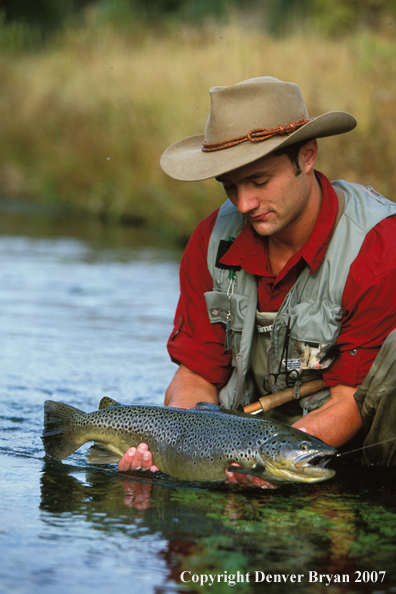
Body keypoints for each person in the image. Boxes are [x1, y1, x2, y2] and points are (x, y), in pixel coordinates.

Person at [118, 76, 396, 485]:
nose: (244, 204)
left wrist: (271, 461)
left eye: (259, 181)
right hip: (243, 448)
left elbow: (350, 400)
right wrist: (181, 452)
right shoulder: (209, 240)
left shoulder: (378, 247)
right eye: (230, 186)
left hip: (343, 449)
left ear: (307, 156)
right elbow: (196, 374)